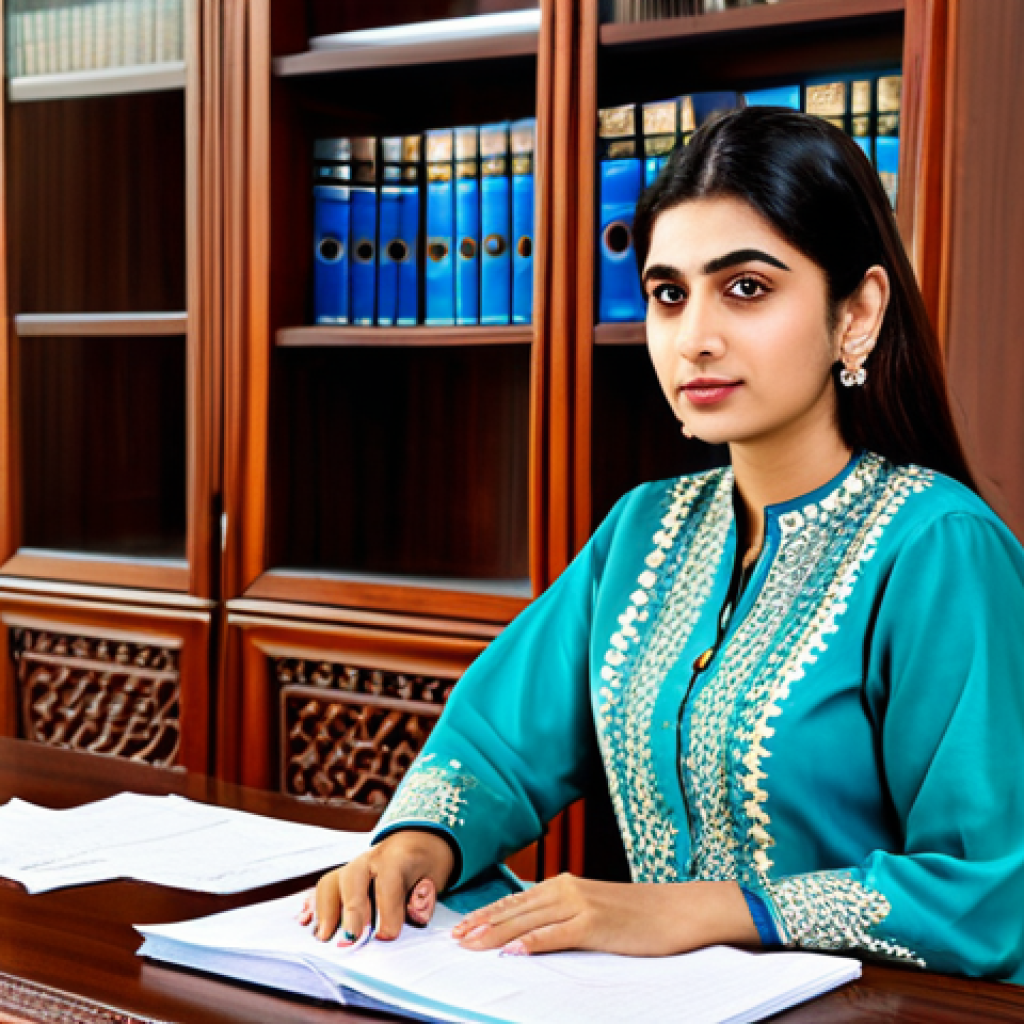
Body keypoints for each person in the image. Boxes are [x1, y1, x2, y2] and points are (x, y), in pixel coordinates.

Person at [301, 107, 1024, 981]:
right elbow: (493, 743)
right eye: (669, 293)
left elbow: (989, 892)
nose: (695, 338)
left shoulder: (939, 548)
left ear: (857, 313)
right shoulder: (647, 529)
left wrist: (699, 911)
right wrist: (418, 844)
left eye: (747, 288)